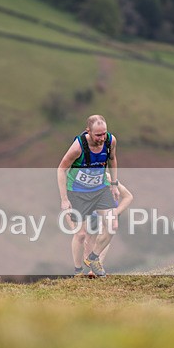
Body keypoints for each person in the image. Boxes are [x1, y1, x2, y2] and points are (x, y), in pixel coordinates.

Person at [57, 114, 120, 276]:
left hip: (100, 189)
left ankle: (93, 257)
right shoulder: (78, 147)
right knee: (80, 234)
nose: (102, 138)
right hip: (77, 192)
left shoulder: (110, 141)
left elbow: (112, 159)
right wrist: (64, 199)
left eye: (104, 133)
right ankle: (78, 271)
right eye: (98, 135)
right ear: (88, 132)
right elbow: (61, 169)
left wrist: (114, 184)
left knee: (112, 226)